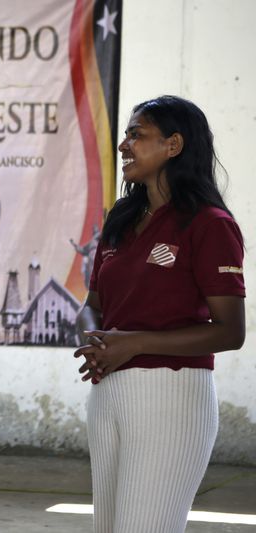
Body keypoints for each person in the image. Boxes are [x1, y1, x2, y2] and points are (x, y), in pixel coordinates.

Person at [74, 95, 246, 532]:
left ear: (173, 145)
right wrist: (94, 340)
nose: (124, 145)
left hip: (172, 398)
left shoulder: (209, 224)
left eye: (137, 135)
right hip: (108, 393)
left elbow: (230, 331)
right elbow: (92, 307)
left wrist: (134, 344)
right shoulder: (122, 218)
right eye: (126, 134)